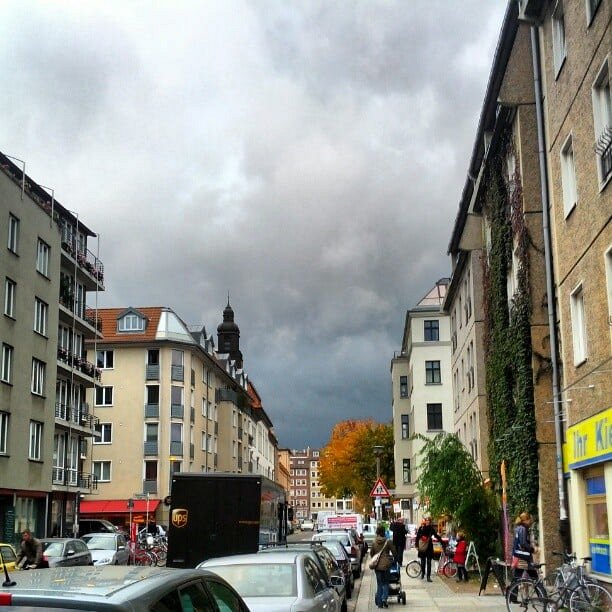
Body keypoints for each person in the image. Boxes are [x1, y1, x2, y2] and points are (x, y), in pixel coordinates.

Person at [369, 524, 397, 609]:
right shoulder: (388, 541)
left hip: (377, 566)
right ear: (384, 532)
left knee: (379, 584)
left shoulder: (374, 542)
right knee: (385, 583)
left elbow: (371, 553)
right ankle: (384, 598)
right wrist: (394, 558)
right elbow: (394, 552)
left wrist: (375, 558)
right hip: (386, 565)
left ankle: (380, 604)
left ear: (377, 532)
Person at [415, 516, 442, 582]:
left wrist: (442, 542)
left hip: (429, 546)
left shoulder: (430, 528)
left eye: (428, 520)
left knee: (429, 562)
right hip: (423, 546)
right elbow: (417, 536)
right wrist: (417, 545)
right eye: (426, 520)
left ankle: (428, 576)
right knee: (423, 561)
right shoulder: (422, 528)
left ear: (430, 521)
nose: (427, 522)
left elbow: (436, 536)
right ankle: (423, 573)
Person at [512, 511, 536, 579]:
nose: (530, 522)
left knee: (517, 577)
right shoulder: (523, 529)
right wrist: (533, 549)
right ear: (526, 520)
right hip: (523, 557)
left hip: (518, 555)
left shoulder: (518, 528)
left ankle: (514, 586)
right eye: (529, 520)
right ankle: (538, 585)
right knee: (534, 576)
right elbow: (523, 543)